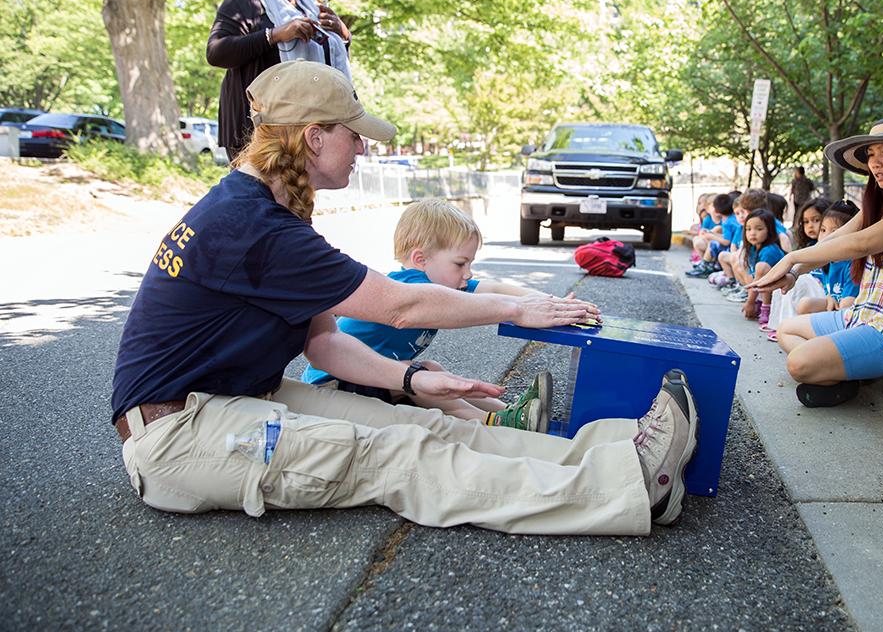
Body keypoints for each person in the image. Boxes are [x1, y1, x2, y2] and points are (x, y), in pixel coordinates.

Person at [111, 60, 700, 534]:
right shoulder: (252, 227)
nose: (363, 149)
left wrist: (412, 382)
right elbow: (400, 305)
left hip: (236, 401)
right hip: (179, 436)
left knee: (431, 428)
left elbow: (324, 348)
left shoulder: (263, 217)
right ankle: (631, 489)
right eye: (354, 135)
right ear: (314, 138)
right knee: (398, 457)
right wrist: (520, 307)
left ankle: (623, 449)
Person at [751, 117, 883, 408]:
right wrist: (795, 272)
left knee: (799, 363)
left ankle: (836, 371)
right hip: (865, 315)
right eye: (871, 155)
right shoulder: (882, 200)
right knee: (786, 329)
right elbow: (838, 237)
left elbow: (860, 243)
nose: (875, 163)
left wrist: (791, 256)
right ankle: (844, 373)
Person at [300, 198, 555, 431]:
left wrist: (547, 302)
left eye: (470, 264)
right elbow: (476, 304)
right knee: (419, 373)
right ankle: (493, 421)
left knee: (431, 368)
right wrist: (520, 309)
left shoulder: (444, 282)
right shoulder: (410, 285)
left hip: (375, 377)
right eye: (460, 263)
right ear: (421, 259)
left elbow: (494, 289)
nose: (468, 273)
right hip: (334, 383)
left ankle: (510, 412)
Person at [207, 0, 354, 160]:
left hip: (302, 128)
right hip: (253, 130)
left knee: (298, 199)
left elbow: (328, 68)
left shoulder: (309, 6)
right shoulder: (245, 0)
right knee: (258, 198)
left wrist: (342, 35)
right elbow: (216, 52)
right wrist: (274, 35)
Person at [762, 197, 831, 338]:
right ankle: (780, 325)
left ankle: (791, 327)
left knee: (800, 281)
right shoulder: (808, 245)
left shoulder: (831, 247)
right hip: (810, 292)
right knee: (786, 282)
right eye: (806, 222)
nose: (810, 226)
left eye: (816, 220)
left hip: (825, 292)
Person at [793, 200, 860, 317]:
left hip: (847, 313)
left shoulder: (852, 264)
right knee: (805, 304)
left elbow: (847, 305)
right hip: (834, 306)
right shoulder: (828, 260)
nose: (825, 237)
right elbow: (826, 287)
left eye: (834, 232)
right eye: (823, 230)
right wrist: (829, 296)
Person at [731, 209, 785, 323]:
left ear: (769, 231)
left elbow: (761, 277)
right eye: (748, 229)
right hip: (763, 286)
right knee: (741, 266)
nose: (752, 233)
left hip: (779, 291)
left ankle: (766, 307)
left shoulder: (770, 250)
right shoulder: (753, 248)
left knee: (761, 268)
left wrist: (749, 302)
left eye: (759, 229)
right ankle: (758, 301)